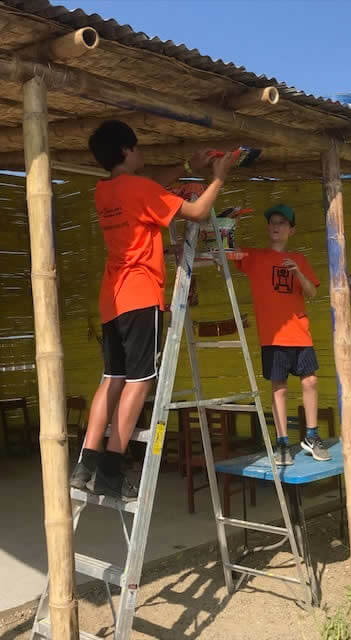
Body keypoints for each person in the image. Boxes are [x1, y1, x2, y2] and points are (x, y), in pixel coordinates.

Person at [70, 120, 235, 500]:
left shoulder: (105, 190)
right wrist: (218, 177)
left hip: (112, 298)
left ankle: (86, 464)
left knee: (112, 377)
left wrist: (185, 166)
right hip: (141, 296)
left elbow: (149, 183)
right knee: (140, 381)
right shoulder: (141, 189)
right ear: (127, 151)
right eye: (139, 147)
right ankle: (112, 470)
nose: (142, 153)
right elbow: (196, 211)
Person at [235, 204, 332, 466]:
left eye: (282, 223)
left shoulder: (300, 259)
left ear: (292, 230)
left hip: (299, 332)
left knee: (310, 381)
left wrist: (297, 273)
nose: (276, 226)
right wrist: (226, 221)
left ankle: (311, 436)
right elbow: (226, 252)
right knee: (278, 388)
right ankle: (281, 442)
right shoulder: (255, 256)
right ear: (268, 228)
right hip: (272, 335)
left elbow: (312, 292)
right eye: (272, 222)